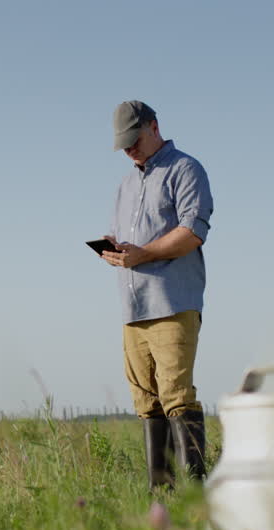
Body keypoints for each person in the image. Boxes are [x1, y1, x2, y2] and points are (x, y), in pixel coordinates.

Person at [98, 100, 214, 490]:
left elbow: (192, 231)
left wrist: (144, 253)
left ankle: (196, 492)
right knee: (147, 403)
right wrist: (117, 250)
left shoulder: (186, 169)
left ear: (153, 127)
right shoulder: (126, 184)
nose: (129, 149)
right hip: (133, 308)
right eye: (123, 144)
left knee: (177, 396)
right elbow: (131, 242)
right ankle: (160, 494)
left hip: (172, 303)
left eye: (134, 139)